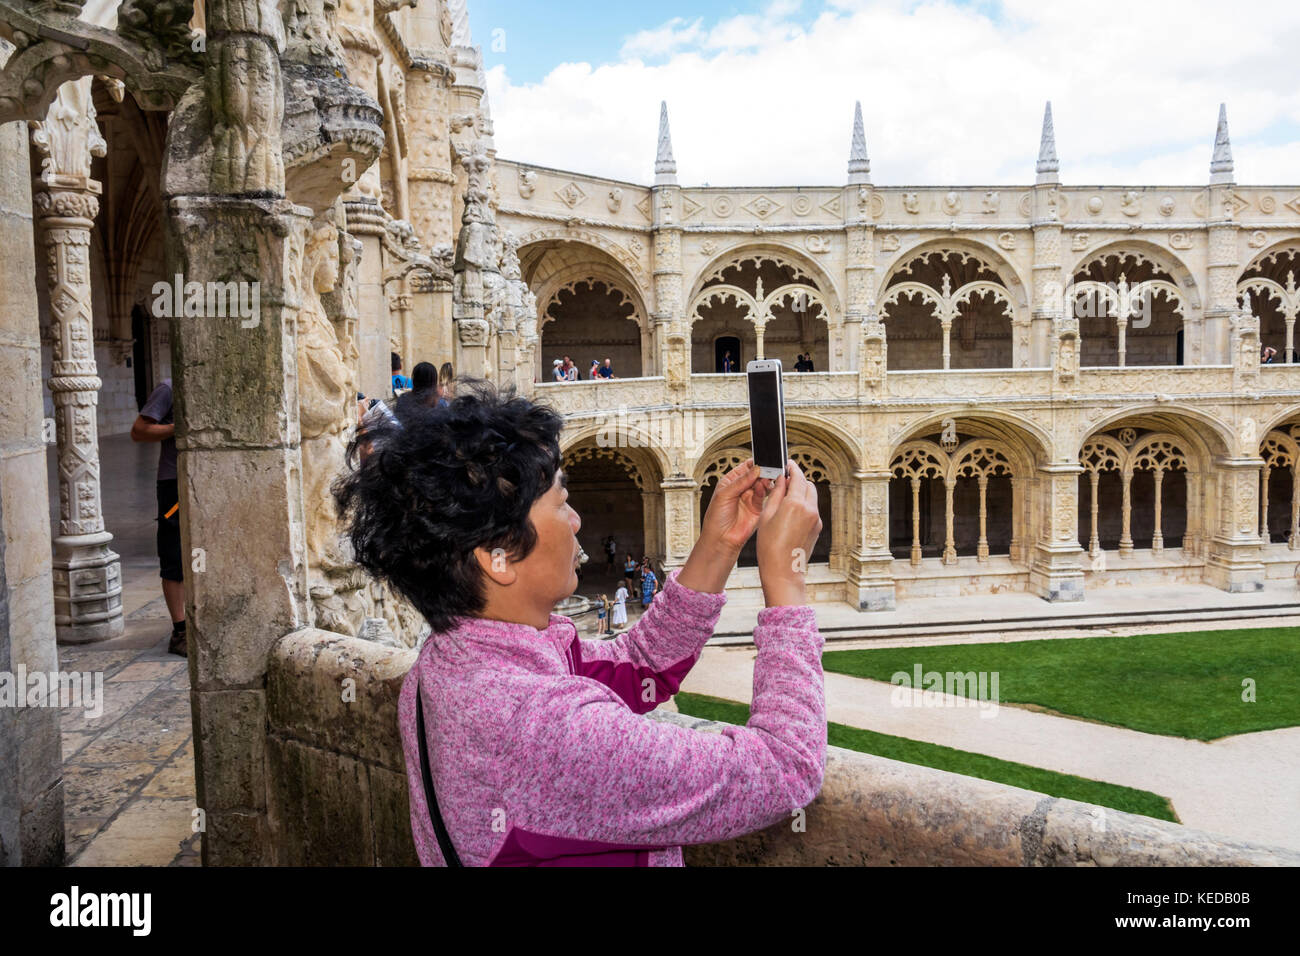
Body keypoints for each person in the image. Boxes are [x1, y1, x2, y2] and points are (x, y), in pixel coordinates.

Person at [334, 380, 824, 866]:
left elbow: (640, 666)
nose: (575, 520)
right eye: (559, 500)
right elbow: (785, 769)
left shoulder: (451, 664)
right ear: (497, 558)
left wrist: (721, 545)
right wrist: (786, 580)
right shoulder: (542, 729)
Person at [131, 379, 186, 656]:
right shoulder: (168, 388)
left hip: (204, 477)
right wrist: (179, 429)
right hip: (173, 484)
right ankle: (180, 631)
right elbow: (139, 430)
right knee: (174, 555)